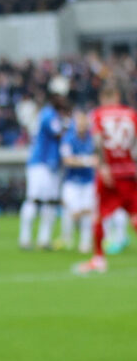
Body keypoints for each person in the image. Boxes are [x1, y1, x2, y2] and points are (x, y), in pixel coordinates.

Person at [73, 84, 137, 274]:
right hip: (130, 171)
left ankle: (99, 258)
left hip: (110, 172)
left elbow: (98, 141)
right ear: (117, 95)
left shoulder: (98, 114)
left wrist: (103, 165)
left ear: (103, 97)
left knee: (99, 215)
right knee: (135, 214)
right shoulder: (131, 114)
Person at [18, 93, 67, 250]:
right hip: (40, 163)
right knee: (34, 199)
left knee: (50, 201)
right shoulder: (48, 114)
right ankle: (25, 238)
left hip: (52, 164)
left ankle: (44, 239)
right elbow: (59, 133)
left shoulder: (55, 115)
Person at [58, 111, 97, 253]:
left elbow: (98, 158)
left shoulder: (92, 139)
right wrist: (87, 161)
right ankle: (66, 237)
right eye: (79, 122)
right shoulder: (68, 139)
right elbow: (67, 160)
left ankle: (85, 243)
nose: (81, 125)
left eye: (83, 122)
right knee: (74, 212)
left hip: (88, 181)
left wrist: (81, 161)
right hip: (72, 182)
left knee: (88, 212)